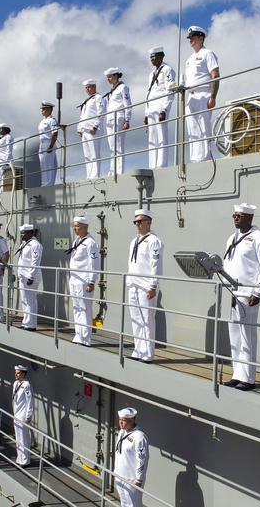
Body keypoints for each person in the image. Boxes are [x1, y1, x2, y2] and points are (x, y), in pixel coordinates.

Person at [221, 203, 260, 391]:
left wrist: (258, 292)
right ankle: (237, 374)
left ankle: (249, 378)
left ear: (249, 218)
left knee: (247, 336)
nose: (235, 218)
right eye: (234, 214)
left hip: (248, 293)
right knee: (234, 335)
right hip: (233, 293)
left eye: (240, 215)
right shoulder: (232, 238)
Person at [126, 209, 163, 362]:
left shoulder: (154, 241)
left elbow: (156, 264)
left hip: (146, 286)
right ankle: (138, 350)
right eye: (136, 222)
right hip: (133, 284)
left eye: (140, 221)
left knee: (147, 320)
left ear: (149, 222)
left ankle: (147, 353)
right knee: (136, 318)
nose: (137, 224)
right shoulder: (134, 241)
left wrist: (153, 286)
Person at [183, 26, 220, 163]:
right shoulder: (189, 59)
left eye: (193, 37)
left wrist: (213, 96)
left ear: (201, 37)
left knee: (203, 128)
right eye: (190, 38)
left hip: (203, 93)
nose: (190, 40)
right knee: (192, 129)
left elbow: (215, 75)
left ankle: (204, 158)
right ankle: (195, 158)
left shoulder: (208, 53)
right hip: (190, 96)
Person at [67, 215, 100, 346]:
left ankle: (86, 338)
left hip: (84, 281)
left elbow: (94, 263)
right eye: (74, 226)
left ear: (85, 227)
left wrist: (92, 281)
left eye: (78, 226)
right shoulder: (77, 241)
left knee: (85, 309)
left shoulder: (90, 243)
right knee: (77, 308)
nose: (75, 228)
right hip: (74, 280)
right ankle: (78, 335)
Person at [144, 47, 176, 168]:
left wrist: (165, 109)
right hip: (151, 107)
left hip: (160, 105)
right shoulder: (151, 74)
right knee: (152, 137)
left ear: (161, 56)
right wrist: (146, 113)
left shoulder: (167, 70)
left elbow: (169, 90)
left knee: (161, 135)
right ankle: (153, 164)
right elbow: (149, 93)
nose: (152, 59)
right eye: (151, 57)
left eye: (155, 56)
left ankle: (161, 164)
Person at [113, 407, 149, 507]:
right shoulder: (122, 432)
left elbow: (142, 459)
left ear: (132, 420)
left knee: (133, 505)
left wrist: (139, 479)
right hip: (120, 475)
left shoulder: (139, 437)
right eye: (120, 420)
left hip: (131, 479)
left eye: (124, 420)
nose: (121, 423)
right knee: (124, 503)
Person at [103, 68, 132, 176]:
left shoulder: (123, 88)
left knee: (119, 146)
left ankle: (119, 171)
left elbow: (128, 104)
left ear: (116, 76)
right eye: (107, 77)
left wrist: (127, 120)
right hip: (110, 119)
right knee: (112, 147)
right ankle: (112, 169)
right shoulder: (112, 91)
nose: (108, 79)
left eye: (110, 77)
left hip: (118, 118)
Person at [14, 223, 43, 330]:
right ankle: (26, 322)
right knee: (24, 300)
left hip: (30, 276)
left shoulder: (35, 245)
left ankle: (31, 324)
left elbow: (35, 261)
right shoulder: (24, 243)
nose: (21, 235)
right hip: (23, 275)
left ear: (30, 233)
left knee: (30, 300)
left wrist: (31, 276)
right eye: (21, 233)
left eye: (24, 233)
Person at [77, 80, 104, 179]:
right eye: (86, 87)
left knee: (94, 153)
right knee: (87, 155)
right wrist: (79, 128)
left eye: (89, 87)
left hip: (93, 129)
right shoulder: (87, 100)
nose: (87, 89)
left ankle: (95, 175)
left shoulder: (98, 98)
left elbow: (101, 112)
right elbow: (83, 116)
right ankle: (89, 175)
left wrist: (95, 126)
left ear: (94, 87)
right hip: (85, 130)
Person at [12, 364, 35, 467]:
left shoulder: (27, 385)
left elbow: (30, 401)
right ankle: (19, 458)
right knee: (18, 438)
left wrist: (28, 416)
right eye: (16, 373)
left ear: (23, 374)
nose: (16, 375)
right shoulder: (16, 384)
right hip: (16, 414)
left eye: (18, 373)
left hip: (22, 415)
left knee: (23, 438)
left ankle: (25, 461)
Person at [37, 101, 60, 186]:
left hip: (49, 143)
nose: (42, 110)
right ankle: (44, 183)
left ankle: (49, 184)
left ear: (49, 110)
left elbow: (55, 133)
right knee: (43, 165)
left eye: (44, 109)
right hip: (42, 144)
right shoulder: (42, 121)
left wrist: (51, 145)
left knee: (49, 165)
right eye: (42, 109)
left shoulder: (52, 120)